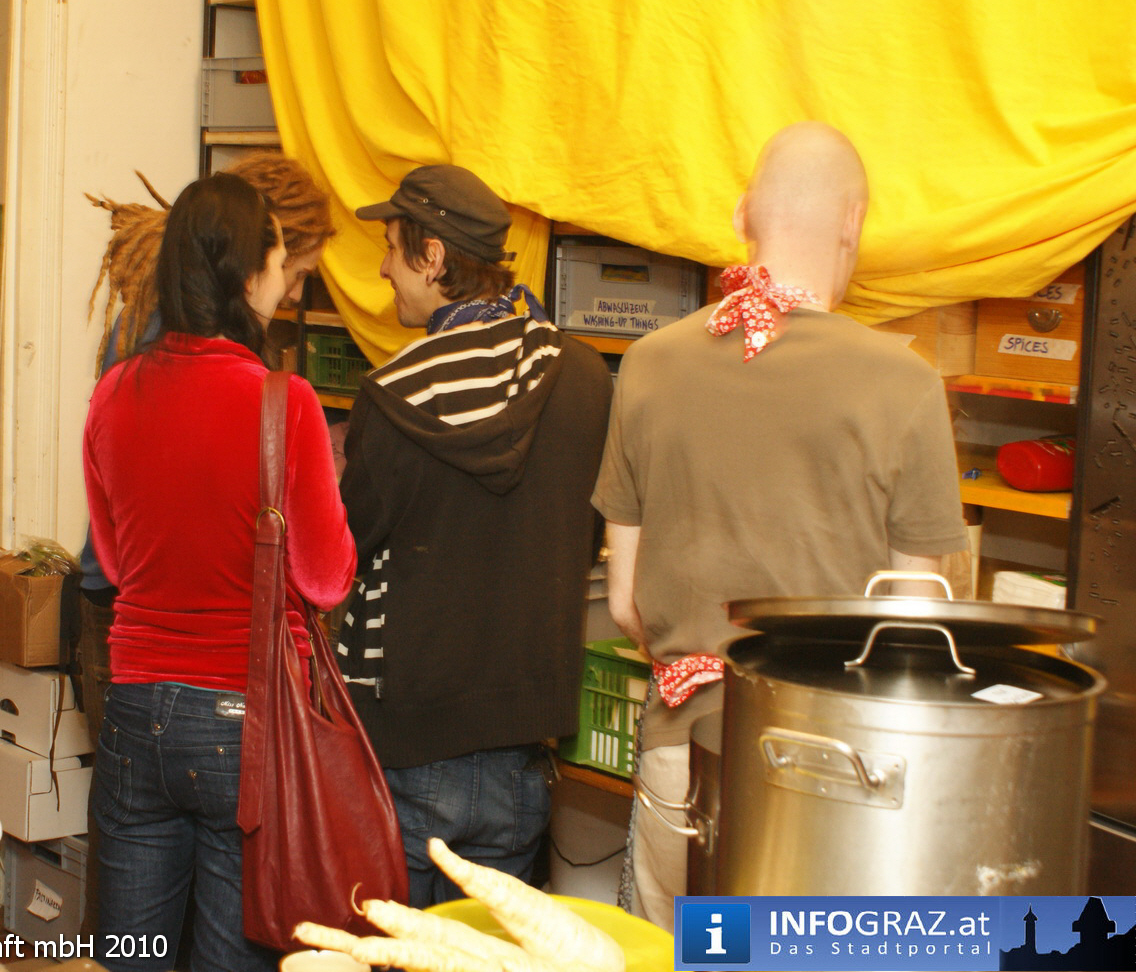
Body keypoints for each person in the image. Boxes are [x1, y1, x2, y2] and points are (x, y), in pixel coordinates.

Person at [596, 121, 969, 928]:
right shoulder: (906, 383)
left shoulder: (649, 363)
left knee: (678, 953)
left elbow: (624, 601)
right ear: (853, 223)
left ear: (742, 216)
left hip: (685, 753)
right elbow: (915, 623)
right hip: (831, 771)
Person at [82, 173, 355, 972]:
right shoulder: (284, 403)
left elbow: (114, 559)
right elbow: (327, 579)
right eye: (280, 258)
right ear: (250, 273)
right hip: (247, 723)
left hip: (134, 709)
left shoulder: (112, 393)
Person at [336, 163, 613, 905]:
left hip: (407, 741)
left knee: (396, 949)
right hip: (523, 747)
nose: (384, 269)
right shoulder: (584, 377)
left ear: (432, 258)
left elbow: (344, 556)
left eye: (392, 249)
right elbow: (585, 537)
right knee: (488, 951)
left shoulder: (393, 393)